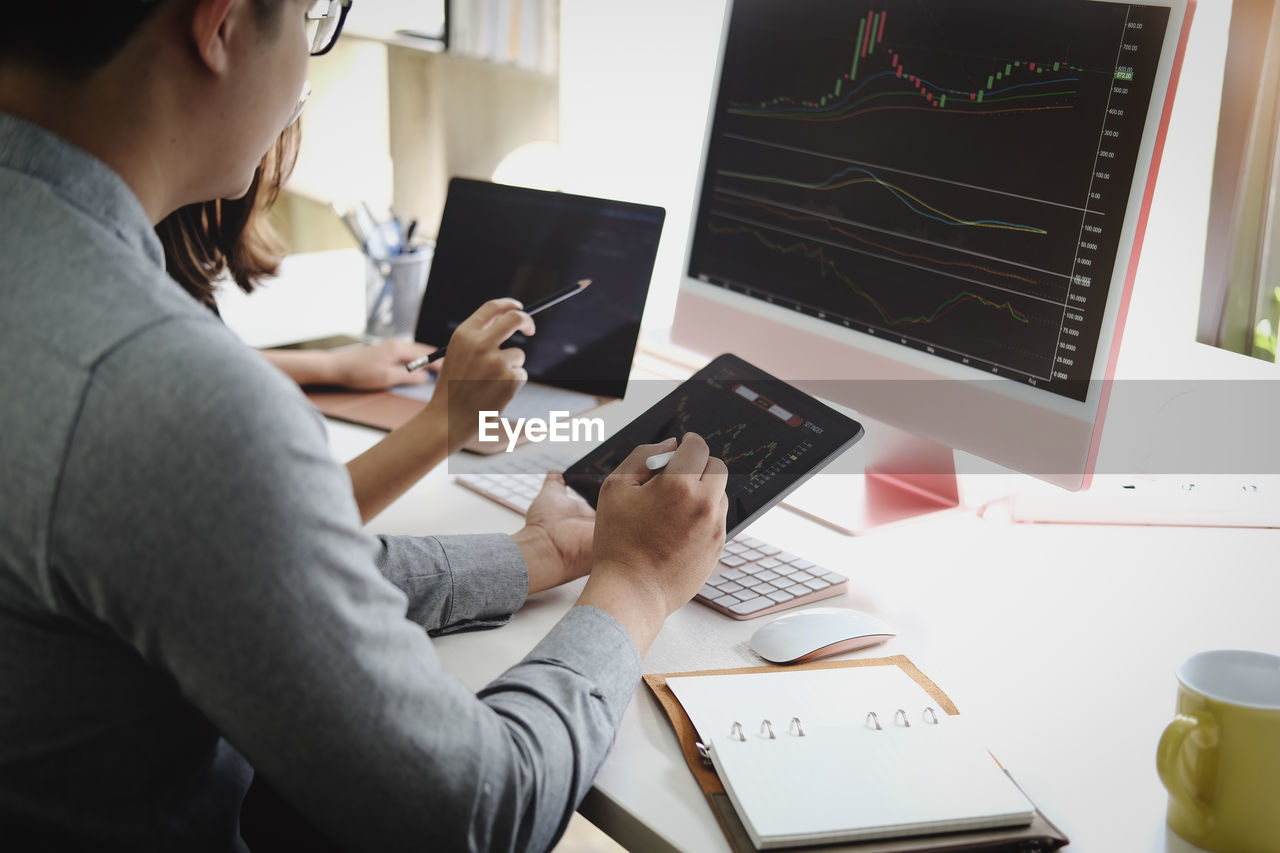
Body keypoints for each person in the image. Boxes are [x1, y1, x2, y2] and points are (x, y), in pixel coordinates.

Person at [0, 5, 729, 853]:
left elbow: (236, 561)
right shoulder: (171, 396)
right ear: (223, 23)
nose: (309, 66)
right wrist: (635, 585)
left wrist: (530, 558)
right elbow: (475, 813)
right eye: (313, 15)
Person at [158, 123, 437, 394]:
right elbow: (187, 376)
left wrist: (330, 367)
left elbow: (196, 364)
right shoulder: (147, 271)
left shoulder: (170, 237)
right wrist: (447, 421)